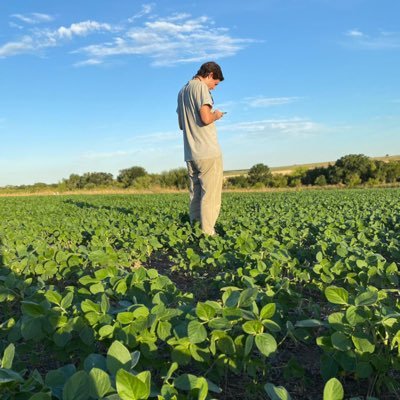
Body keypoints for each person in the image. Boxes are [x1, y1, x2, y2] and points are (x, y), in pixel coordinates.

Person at [177, 61, 225, 235]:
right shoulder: (201, 88)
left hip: (190, 153)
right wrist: (217, 115)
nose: (214, 88)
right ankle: (208, 234)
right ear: (210, 74)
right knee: (210, 196)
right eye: (215, 83)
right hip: (207, 151)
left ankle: (195, 230)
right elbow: (205, 118)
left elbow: (182, 125)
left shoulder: (182, 91)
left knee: (196, 194)